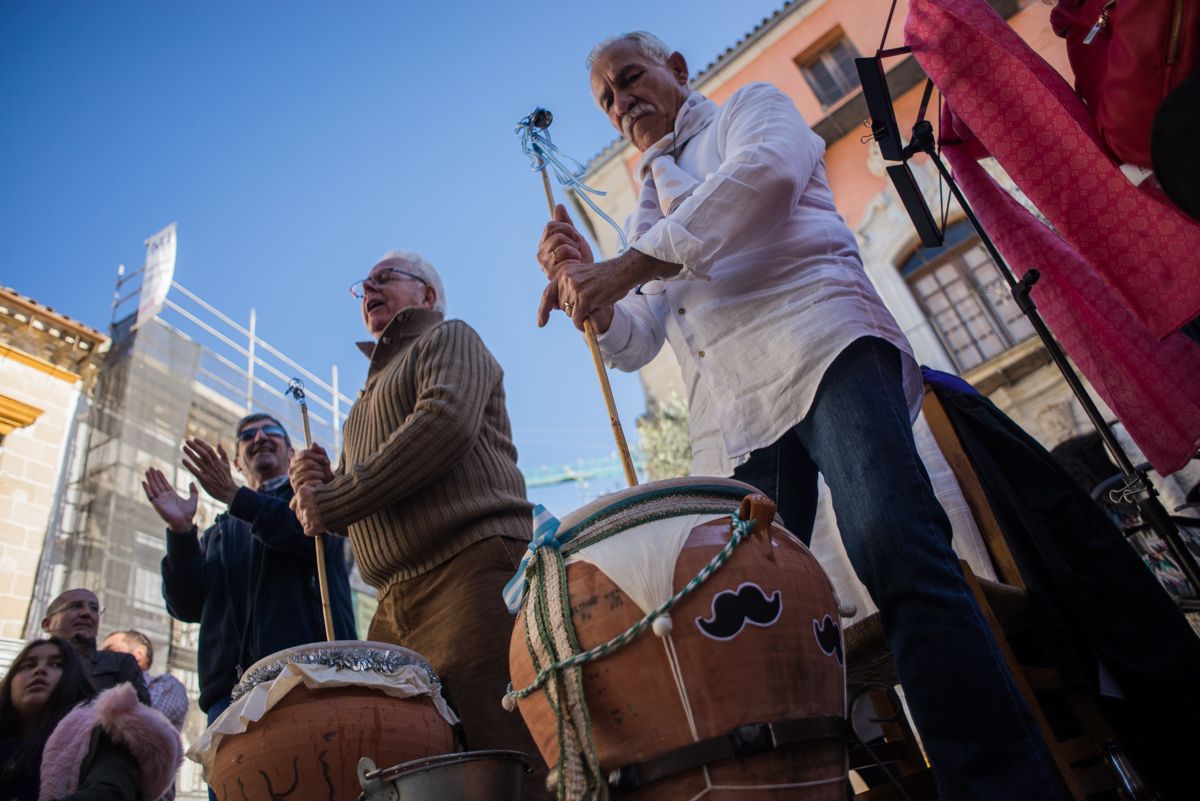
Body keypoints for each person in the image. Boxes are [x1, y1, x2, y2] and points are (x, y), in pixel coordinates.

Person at [533, 31, 1063, 800]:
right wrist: (591, 285)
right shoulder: (643, 212)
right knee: (745, 615)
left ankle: (998, 788)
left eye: (631, 77)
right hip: (740, 414)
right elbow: (638, 339)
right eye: (607, 99)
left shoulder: (749, 107)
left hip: (823, 342)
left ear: (676, 69)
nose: (621, 103)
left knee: (894, 548)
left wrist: (623, 267)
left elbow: (765, 178)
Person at [288, 250, 545, 798]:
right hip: (392, 606)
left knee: (510, 759)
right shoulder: (360, 408)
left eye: (384, 278)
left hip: (470, 572)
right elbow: (362, 510)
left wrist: (334, 498)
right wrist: (324, 487)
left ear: (427, 295)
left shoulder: (448, 337)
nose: (368, 290)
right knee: (410, 775)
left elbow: (444, 423)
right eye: (363, 285)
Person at [148, 413, 357, 735]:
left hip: (310, 679)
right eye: (247, 436)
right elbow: (187, 607)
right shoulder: (219, 533)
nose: (259, 437)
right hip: (230, 698)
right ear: (236, 462)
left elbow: (305, 538)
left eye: (270, 430)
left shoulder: (315, 499)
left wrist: (235, 497)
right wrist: (181, 533)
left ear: (291, 454)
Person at [0, 637, 180, 801]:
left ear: (73, 678)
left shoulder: (105, 731)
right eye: (28, 665)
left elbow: (110, 792)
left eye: (56, 664)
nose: (39, 670)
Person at [102, 630, 187, 801]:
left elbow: (139, 726)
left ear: (139, 654)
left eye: (110, 650)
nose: (103, 657)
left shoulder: (165, 685)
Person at [40, 590, 150, 706]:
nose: (87, 613)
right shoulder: (34, 665)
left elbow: (140, 711)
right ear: (48, 624)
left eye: (94, 608)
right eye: (75, 606)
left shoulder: (121, 664)